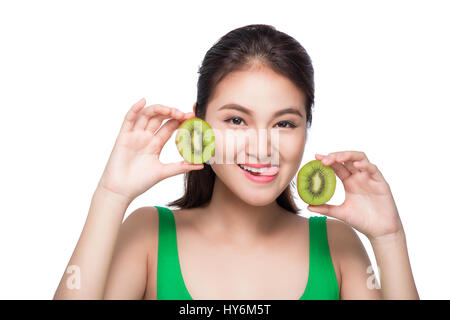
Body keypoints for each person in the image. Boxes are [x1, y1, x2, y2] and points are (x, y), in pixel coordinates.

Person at [53, 24, 419, 300]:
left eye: (284, 123)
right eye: (236, 120)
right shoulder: (149, 235)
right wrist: (110, 196)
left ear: (307, 129)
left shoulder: (336, 243)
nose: (262, 148)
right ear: (199, 124)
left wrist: (389, 238)